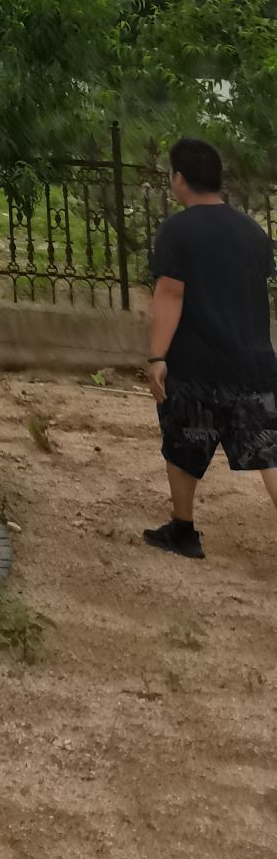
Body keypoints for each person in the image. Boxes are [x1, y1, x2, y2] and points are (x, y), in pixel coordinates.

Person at [143, 136, 277, 558]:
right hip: (255, 365)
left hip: (197, 367)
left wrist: (157, 357)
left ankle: (184, 531)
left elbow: (170, 294)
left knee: (183, 443)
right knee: (269, 455)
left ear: (180, 179)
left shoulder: (177, 230)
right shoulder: (254, 233)